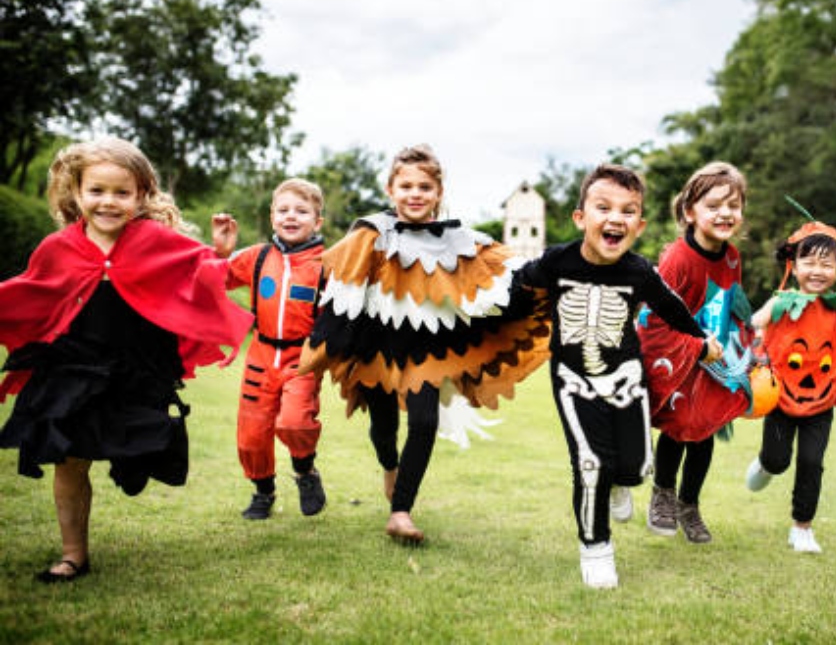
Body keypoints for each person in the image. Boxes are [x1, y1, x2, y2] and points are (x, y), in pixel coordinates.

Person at [0, 137, 253, 582]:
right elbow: (30, 291)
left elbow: (201, 278)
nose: (108, 202)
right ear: (76, 192)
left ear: (141, 196)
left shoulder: (155, 240)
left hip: (136, 368)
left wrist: (221, 254)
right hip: (71, 368)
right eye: (97, 191)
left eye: (122, 193)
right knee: (69, 459)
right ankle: (73, 554)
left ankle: (139, 460)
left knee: (137, 459)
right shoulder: (58, 247)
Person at [300, 144, 549, 545]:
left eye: (425, 187)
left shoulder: (460, 240)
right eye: (406, 186)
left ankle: (401, 511)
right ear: (390, 189)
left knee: (424, 423)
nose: (415, 193)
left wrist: (560, 267)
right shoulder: (370, 234)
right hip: (376, 348)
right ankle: (389, 466)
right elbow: (332, 278)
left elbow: (509, 270)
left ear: (438, 192)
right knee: (384, 427)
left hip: (428, 350)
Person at [510, 163, 723, 589]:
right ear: (580, 217)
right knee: (590, 464)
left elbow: (672, 307)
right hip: (572, 378)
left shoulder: (639, 271)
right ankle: (596, 547)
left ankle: (618, 483)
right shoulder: (556, 261)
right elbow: (516, 289)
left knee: (632, 468)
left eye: (628, 211)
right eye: (603, 207)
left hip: (626, 375)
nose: (615, 218)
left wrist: (703, 340)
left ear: (639, 225)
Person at [744, 217, 836, 554]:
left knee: (812, 462)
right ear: (793, 265)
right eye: (808, 262)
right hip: (781, 397)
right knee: (778, 459)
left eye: (826, 263)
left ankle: (802, 527)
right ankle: (766, 464)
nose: (817, 270)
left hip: (822, 400)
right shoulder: (780, 302)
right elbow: (751, 323)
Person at [637, 162, 754, 544]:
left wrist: (747, 347)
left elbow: (730, 302)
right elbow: (656, 318)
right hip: (679, 356)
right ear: (690, 211)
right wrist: (694, 347)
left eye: (733, 205)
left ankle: (690, 504)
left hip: (714, 358)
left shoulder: (733, 257)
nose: (725, 213)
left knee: (705, 431)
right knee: (678, 428)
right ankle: (663, 493)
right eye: (714, 205)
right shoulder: (677, 259)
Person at [211, 178, 327, 520]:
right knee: (251, 433)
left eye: (302, 211)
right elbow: (217, 278)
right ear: (272, 216)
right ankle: (263, 492)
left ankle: (306, 472)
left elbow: (341, 312)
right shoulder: (258, 256)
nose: (292, 217)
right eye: (284, 210)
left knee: (295, 422)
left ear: (317, 221)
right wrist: (220, 252)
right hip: (261, 355)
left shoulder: (327, 264)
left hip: (302, 358)